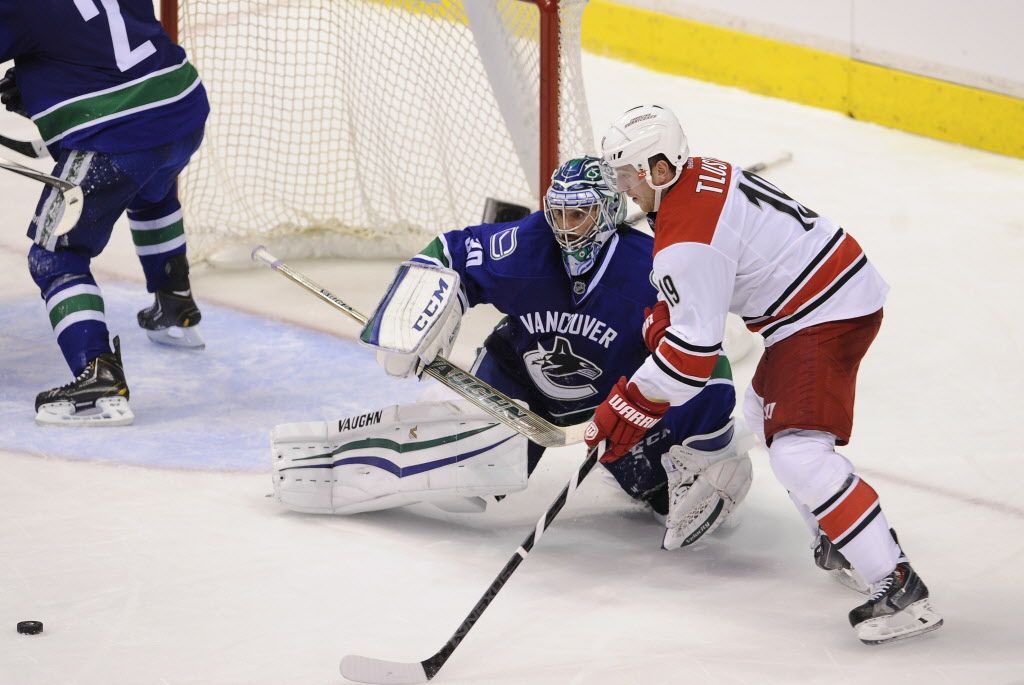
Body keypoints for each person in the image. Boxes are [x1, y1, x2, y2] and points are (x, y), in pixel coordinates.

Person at [591, 103, 943, 643]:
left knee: (798, 451)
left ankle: (897, 584)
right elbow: (718, 273)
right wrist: (676, 312)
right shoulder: (698, 173)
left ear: (660, 169)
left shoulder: (685, 239)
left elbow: (691, 363)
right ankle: (843, 535)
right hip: (827, 292)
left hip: (824, 310)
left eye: (627, 174)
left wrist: (629, 403)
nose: (622, 188)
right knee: (761, 412)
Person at [272, 157, 752, 549]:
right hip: (520, 372)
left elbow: (703, 358)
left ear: (606, 213)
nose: (565, 227)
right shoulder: (527, 245)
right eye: (558, 213)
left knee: (656, 496)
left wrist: (712, 445)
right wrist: (415, 315)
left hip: (610, 401)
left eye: (578, 214)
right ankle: (349, 457)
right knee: (474, 471)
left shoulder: (645, 270)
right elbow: (448, 253)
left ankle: (721, 459)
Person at [0, 0, 209, 426]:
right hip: (183, 109)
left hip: (118, 135)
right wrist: (43, 78)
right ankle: (174, 304)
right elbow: (99, 33)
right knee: (152, 191)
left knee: (55, 253)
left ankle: (98, 376)